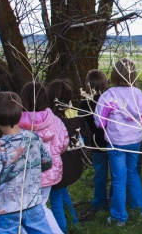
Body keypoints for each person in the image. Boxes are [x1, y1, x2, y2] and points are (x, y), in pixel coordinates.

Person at [0, 91, 53, 234]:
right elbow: (47, 163)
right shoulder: (33, 138)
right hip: (33, 202)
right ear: (21, 115)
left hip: (6, 208)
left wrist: (7, 177)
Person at [94, 58, 142, 226]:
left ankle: (119, 216)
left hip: (116, 142)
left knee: (118, 178)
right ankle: (141, 209)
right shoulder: (138, 93)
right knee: (132, 173)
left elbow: (99, 122)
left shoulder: (109, 95)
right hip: (135, 140)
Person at [18, 82, 69, 234]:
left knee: (24, 207)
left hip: (26, 174)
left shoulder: (17, 123)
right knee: (40, 205)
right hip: (49, 172)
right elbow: (63, 144)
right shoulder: (55, 120)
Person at [47, 79, 92, 233]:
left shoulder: (49, 120)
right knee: (62, 192)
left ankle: (62, 229)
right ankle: (74, 223)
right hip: (73, 165)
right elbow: (84, 139)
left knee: (56, 200)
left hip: (57, 167)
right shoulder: (75, 115)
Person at [79, 69, 110, 212]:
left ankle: (99, 203)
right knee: (117, 174)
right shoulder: (108, 100)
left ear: (86, 86)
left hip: (96, 143)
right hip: (112, 141)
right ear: (105, 84)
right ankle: (115, 199)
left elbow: (83, 125)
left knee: (100, 175)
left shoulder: (84, 104)